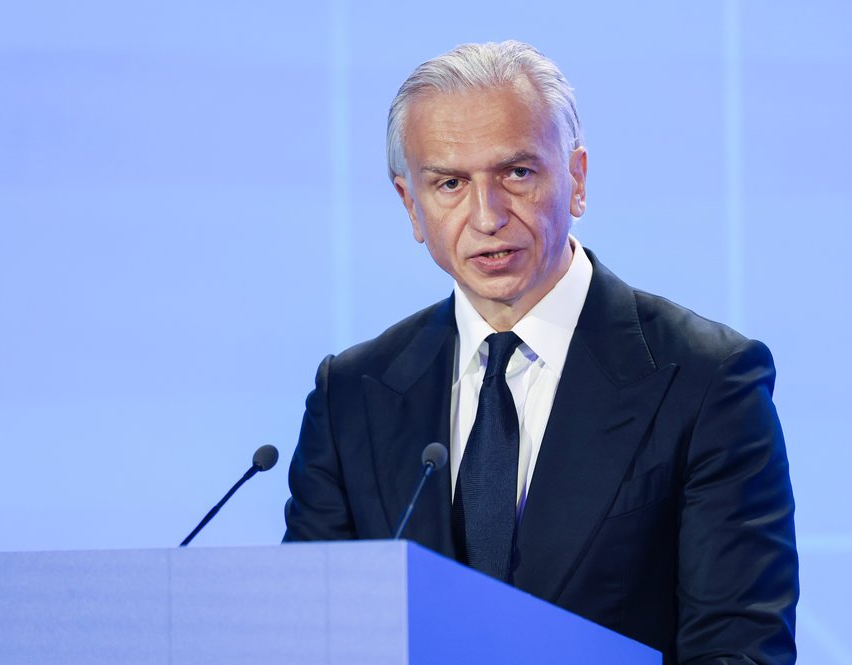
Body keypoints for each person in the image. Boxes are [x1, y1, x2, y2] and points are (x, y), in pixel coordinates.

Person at [284, 40, 798, 664]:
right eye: (450, 183)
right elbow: (308, 638)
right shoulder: (352, 397)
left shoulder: (707, 381)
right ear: (410, 204)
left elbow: (738, 650)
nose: (487, 216)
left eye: (517, 174)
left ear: (576, 179)